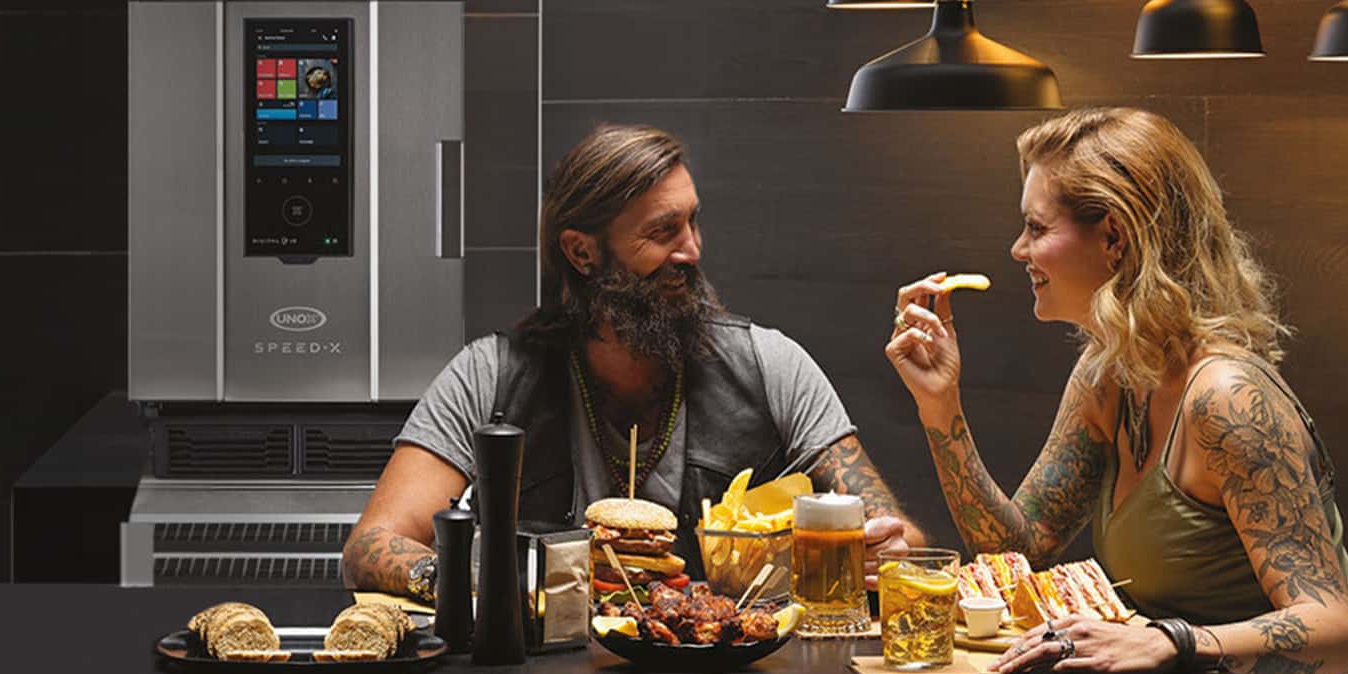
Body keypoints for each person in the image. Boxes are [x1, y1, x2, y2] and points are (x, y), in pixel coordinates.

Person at [886, 107, 1348, 674]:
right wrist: (941, 411)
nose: (1018, 249)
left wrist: (1169, 642)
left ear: (1115, 237)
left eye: (1037, 228)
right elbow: (1015, 546)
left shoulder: (1229, 398)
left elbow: (1329, 632)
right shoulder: (1110, 374)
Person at [344, 122, 925, 603]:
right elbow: (371, 545)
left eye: (693, 222)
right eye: (663, 231)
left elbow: (903, 542)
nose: (692, 251)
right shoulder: (488, 374)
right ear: (582, 251)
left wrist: (885, 555)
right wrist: (484, 583)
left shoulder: (773, 365)